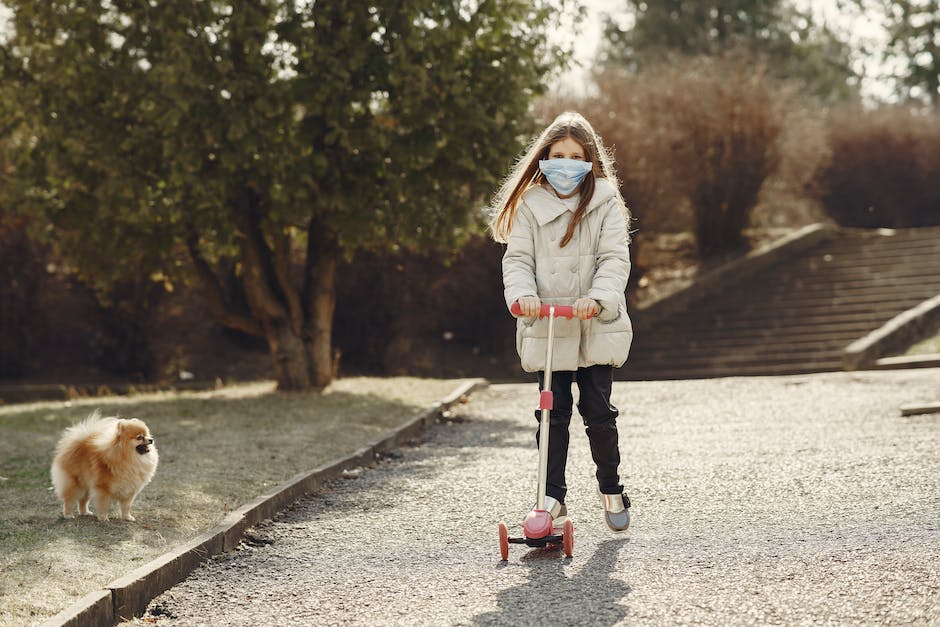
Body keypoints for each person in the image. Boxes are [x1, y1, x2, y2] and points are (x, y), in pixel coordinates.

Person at [488, 111, 633, 532]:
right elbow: (517, 260)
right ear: (544, 159)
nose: (566, 164)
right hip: (549, 325)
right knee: (552, 414)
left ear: (589, 161)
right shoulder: (530, 207)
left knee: (598, 410)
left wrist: (599, 298)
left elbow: (613, 259)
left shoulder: (605, 203)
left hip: (593, 324)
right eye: (558, 155)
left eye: (575, 155)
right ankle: (551, 497)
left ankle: (611, 486)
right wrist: (522, 296)